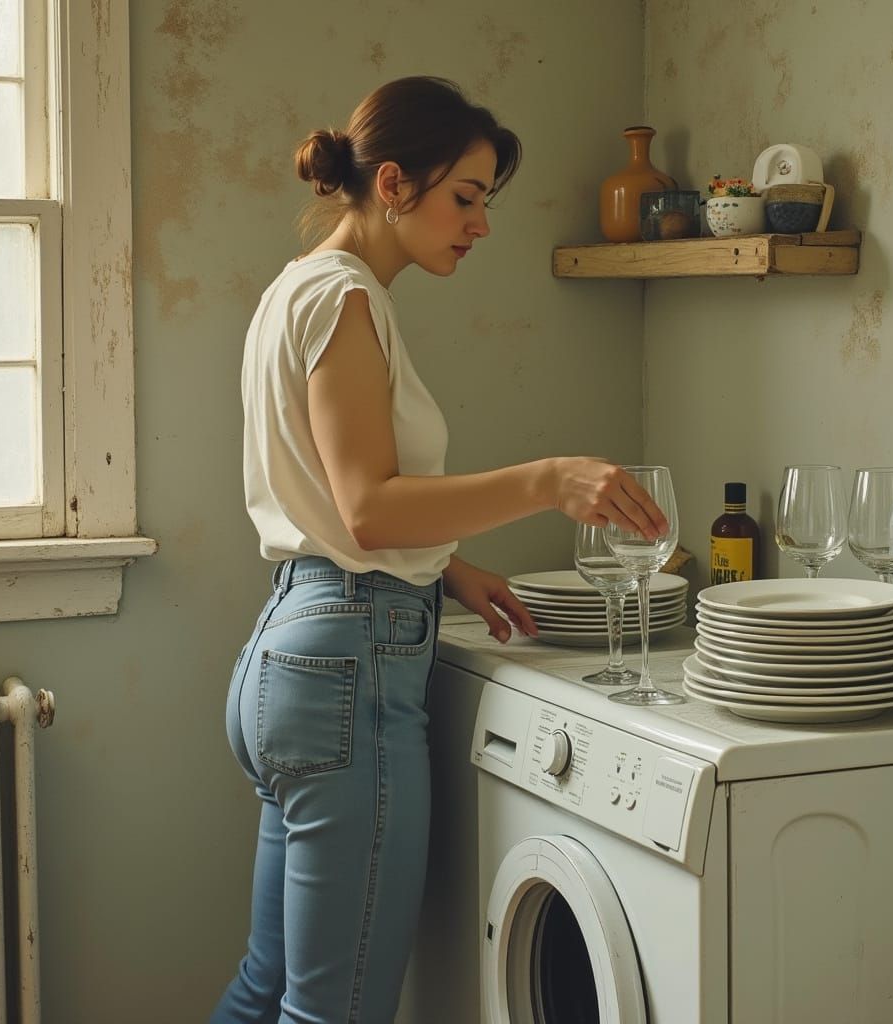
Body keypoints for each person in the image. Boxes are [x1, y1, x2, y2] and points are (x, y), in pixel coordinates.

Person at [212, 76, 667, 1024]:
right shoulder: (347, 301)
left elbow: (327, 502)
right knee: (331, 1012)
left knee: (269, 991)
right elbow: (370, 508)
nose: (480, 226)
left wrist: (450, 567)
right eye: (464, 197)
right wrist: (548, 480)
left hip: (290, 654)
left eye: (484, 203)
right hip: (349, 664)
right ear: (392, 183)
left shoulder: (293, 290)